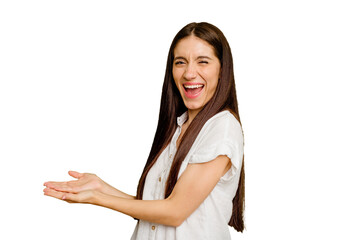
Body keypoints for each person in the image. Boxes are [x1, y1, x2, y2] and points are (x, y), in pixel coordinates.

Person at [43, 22, 245, 240]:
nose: (189, 73)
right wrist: (101, 187)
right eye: (180, 62)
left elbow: (175, 212)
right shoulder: (176, 128)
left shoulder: (222, 127)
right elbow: (155, 209)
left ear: (222, 69)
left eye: (202, 62)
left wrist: (96, 198)